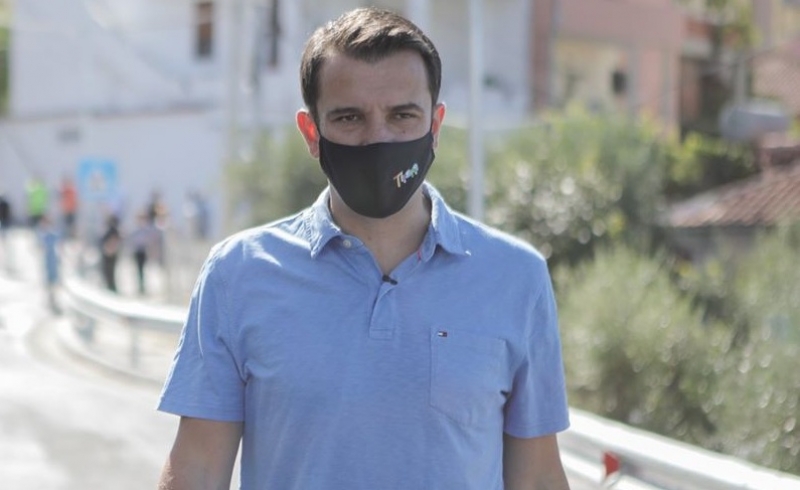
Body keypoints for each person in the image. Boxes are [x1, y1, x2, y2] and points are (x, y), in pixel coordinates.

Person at [157, 7, 571, 490]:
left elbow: (537, 477)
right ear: (311, 133)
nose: (379, 138)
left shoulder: (515, 277)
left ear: (435, 125)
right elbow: (196, 470)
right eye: (349, 117)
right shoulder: (238, 274)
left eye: (402, 115)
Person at [98, 214, 121, 293]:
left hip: (110, 253)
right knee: (109, 272)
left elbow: (114, 241)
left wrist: (110, 248)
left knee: (109, 272)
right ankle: (110, 287)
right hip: (110, 253)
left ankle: (111, 287)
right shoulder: (113, 230)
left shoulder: (113, 230)